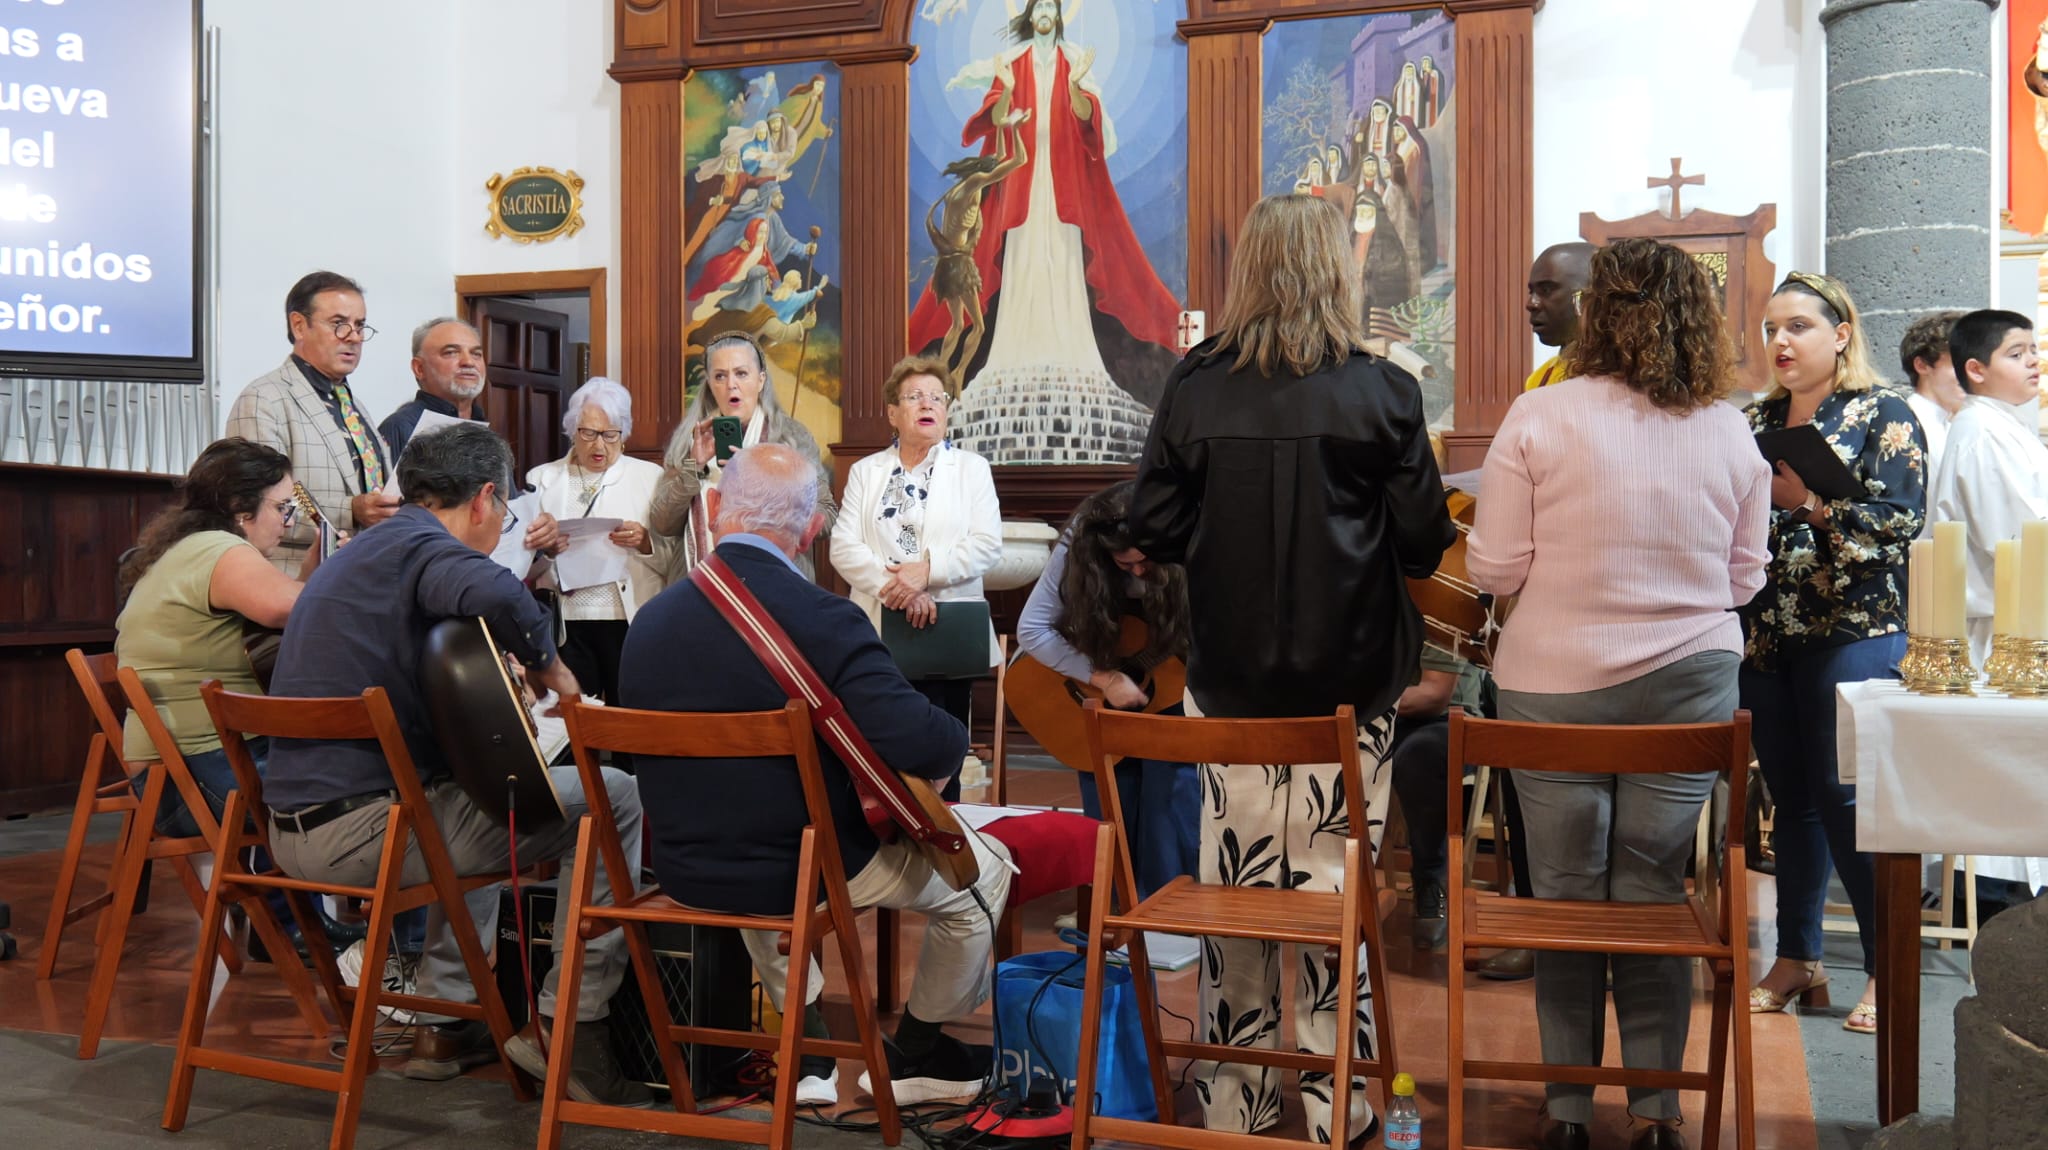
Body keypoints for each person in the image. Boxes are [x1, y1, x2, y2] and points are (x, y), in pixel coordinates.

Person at [1128, 193, 1455, 1143]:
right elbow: (1427, 545)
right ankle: (1329, 1101)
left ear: (1250, 273)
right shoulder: (1381, 387)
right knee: (1331, 891)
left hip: (1229, 681)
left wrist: (1218, 539)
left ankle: (1239, 1099)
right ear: (1335, 273)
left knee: (1236, 888)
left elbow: (1147, 523)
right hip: (1351, 687)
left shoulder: (1197, 383)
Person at [1467, 238, 1772, 1150]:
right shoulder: (1727, 425)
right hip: (1687, 685)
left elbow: (1493, 567)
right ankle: (1655, 1114)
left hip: (1552, 682)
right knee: (1650, 898)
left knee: (1561, 896)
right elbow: (1746, 579)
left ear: (1599, 313)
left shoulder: (1538, 414)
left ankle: (1565, 1115)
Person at [257, 422, 650, 1103]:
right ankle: (569, 1028)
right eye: (504, 513)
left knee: (471, 794)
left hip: (290, 834)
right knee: (614, 795)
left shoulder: (360, 552)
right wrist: (553, 673)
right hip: (366, 836)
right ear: (485, 498)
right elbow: (498, 594)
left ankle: (444, 1022)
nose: (501, 527)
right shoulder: (425, 550)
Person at [622, 444, 1014, 1107]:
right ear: (810, 531)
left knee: (754, 826)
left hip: (688, 866)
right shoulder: (826, 618)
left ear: (715, 510)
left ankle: (804, 1045)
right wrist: (953, 741)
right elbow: (924, 744)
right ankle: (917, 1053)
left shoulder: (648, 623)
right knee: (988, 872)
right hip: (799, 870)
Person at [1741, 272, 1925, 1038]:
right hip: (1770, 630)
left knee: (1850, 799)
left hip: (1855, 629)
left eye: (1799, 327)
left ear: (1841, 333)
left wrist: (1811, 508)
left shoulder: (1884, 413)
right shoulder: (1757, 416)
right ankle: (1797, 956)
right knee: (1791, 799)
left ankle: (1889, 966)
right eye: (1771, 328)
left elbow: (1898, 522)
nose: (1781, 342)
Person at [115, 438, 322, 838]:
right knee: (375, 785)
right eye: (282, 508)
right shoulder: (217, 549)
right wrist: (344, 575)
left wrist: (312, 576)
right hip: (197, 781)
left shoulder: (188, 548)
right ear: (240, 510)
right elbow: (287, 609)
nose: (289, 522)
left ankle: (276, 898)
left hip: (176, 776)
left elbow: (287, 606)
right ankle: (329, 896)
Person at [1015, 481, 1196, 899]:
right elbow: (1031, 628)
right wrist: (1105, 678)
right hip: (1100, 670)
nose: (1135, 572)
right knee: (1110, 788)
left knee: (1170, 790)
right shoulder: (1082, 540)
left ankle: (1169, 907)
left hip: (1173, 682)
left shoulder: (1187, 531)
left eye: (1143, 563)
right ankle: (1111, 906)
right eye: (1122, 564)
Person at [831, 354, 1002, 762]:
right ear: (893, 413)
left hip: (947, 631)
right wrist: (903, 591)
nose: (927, 405)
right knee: (883, 750)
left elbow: (987, 544)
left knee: (945, 749)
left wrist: (927, 572)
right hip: (879, 628)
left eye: (936, 398)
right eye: (914, 397)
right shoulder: (865, 471)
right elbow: (843, 546)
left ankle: (947, 823)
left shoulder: (971, 469)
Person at [226, 271, 402, 575]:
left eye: (360, 325)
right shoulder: (264, 399)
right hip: (293, 581)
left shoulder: (353, 406)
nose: (354, 336)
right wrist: (351, 511)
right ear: (299, 325)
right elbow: (254, 508)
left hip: (361, 574)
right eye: (339, 324)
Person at [649, 333, 836, 581]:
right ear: (710, 384)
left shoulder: (792, 437)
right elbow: (662, 524)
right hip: (699, 587)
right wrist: (693, 467)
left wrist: (761, 481)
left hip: (775, 585)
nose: (731, 385)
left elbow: (826, 516)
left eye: (741, 373)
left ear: (761, 380)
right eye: (720, 376)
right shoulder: (689, 439)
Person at [526, 377, 663, 707]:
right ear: (573, 430)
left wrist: (645, 541)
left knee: (630, 717)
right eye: (588, 433)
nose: (598, 445)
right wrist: (546, 550)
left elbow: (674, 556)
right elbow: (525, 561)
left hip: (628, 617)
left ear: (623, 434)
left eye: (610, 435)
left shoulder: (649, 477)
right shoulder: (541, 479)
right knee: (573, 719)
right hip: (567, 620)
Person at [379, 316, 560, 551]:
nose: (468, 362)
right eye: (451, 353)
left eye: (476, 354)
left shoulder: (485, 432)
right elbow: (387, 520)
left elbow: (506, 514)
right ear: (419, 368)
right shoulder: (399, 428)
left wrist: (540, 535)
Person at [1929, 309, 2047, 667]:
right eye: (2016, 354)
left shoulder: (2005, 425)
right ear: (1976, 370)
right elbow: (2014, 535)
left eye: (2033, 350)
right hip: (2001, 628)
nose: (2032, 361)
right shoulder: (1982, 432)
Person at [1385, 642, 1495, 950]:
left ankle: (1431, 877)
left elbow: (1433, 695)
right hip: (1383, 714)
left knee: (1422, 754)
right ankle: (1331, 887)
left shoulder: (1438, 599)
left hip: (1445, 717)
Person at [1897, 310, 1967, 484]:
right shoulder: (1910, 424)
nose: (1969, 374)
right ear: (1922, 365)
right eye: (1958, 363)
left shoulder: (1949, 424)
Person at [1524, 243, 1595, 391]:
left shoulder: (1624, 380)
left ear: (1588, 295)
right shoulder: (1538, 380)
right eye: (1532, 292)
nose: (1531, 304)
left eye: (1546, 290)